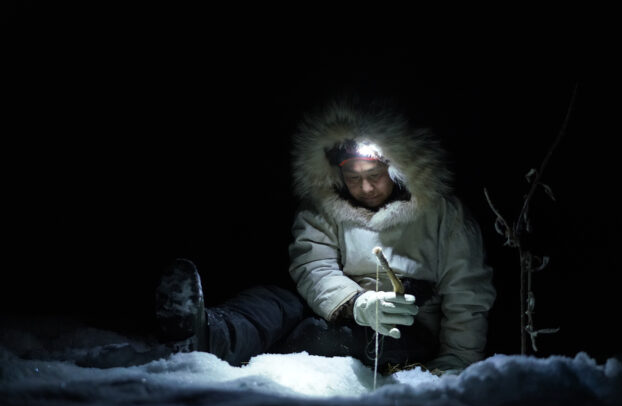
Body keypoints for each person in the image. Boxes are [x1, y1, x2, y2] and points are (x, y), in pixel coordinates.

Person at [154, 98, 496, 374]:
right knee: (271, 301)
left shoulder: (443, 215)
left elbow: (467, 292)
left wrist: (458, 360)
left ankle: (268, 346)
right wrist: (357, 303)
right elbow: (312, 266)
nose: (364, 186)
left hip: (403, 328)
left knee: (318, 338)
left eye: (375, 174)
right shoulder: (324, 207)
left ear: (396, 167)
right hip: (336, 305)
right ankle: (208, 334)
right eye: (353, 176)